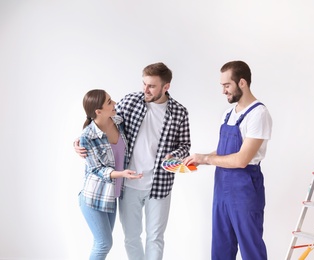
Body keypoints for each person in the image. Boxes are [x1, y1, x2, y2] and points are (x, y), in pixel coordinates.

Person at [75, 62, 191, 260]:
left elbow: (185, 144)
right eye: (144, 83)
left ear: (166, 87)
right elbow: (101, 121)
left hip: (160, 184)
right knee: (131, 237)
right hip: (128, 184)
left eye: (152, 86)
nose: (145, 89)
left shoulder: (179, 112)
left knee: (155, 237)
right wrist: (79, 140)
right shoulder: (130, 102)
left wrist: (175, 155)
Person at [183, 60, 272, 260]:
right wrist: (200, 159)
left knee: (251, 248)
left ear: (242, 83)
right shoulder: (228, 114)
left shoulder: (258, 114)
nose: (223, 91)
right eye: (222, 86)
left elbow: (242, 159)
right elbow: (224, 151)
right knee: (221, 246)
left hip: (245, 188)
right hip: (222, 186)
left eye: (227, 85)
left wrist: (207, 158)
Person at [78, 89, 143, 260]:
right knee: (103, 244)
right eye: (109, 102)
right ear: (98, 111)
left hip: (111, 196)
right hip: (93, 197)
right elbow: (96, 170)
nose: (114, 103)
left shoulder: (118, 121)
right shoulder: (87, 136)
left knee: (104, 243)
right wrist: (122, 173)